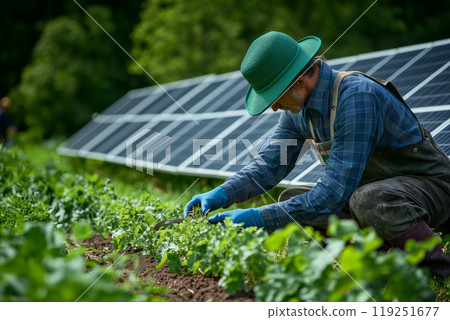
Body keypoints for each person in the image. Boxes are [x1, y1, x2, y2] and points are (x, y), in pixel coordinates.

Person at [183, 31, 450, 277]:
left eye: (275, 97)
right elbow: (269, 166)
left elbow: (334, 192)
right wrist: (223, 194)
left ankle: (433, 270)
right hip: (371, 195)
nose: (274, 107)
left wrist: (258, 217)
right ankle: (371, 265)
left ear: (299, 82)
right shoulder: (298, 113)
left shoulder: (357, 97)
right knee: (293, 199)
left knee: (366, 199)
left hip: (431, 189)